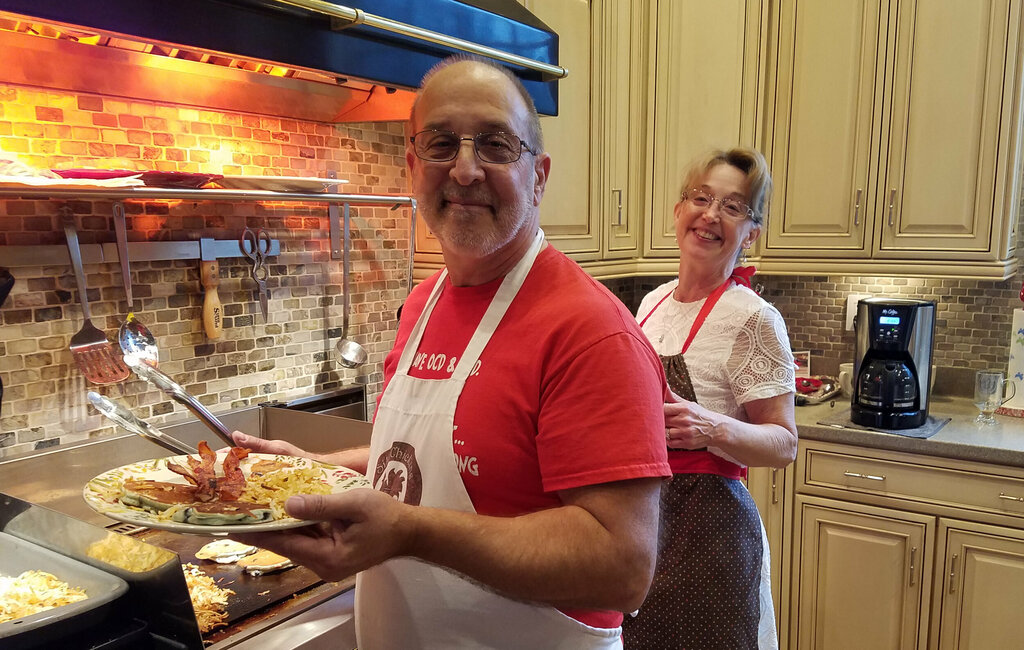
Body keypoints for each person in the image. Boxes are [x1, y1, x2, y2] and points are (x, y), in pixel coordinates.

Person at [231, 56, 671, 649]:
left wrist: (411, 533)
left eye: (494, 145)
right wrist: (312, 472)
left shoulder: (591, 332)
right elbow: (434, 461)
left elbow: (622, 567)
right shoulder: (422, 305)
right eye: (442, 144)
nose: (464, 171)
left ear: (538, 176)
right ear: (414, 167)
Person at [620, 148, 798, 650]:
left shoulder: (754, 319)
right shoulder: (651, 304)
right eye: (701, 198)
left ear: (752, 232)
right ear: (679, 211)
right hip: (643, 522)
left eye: (733, 207)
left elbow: (783, 444)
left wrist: (712, 427)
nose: (711, 215)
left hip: (711, 533)